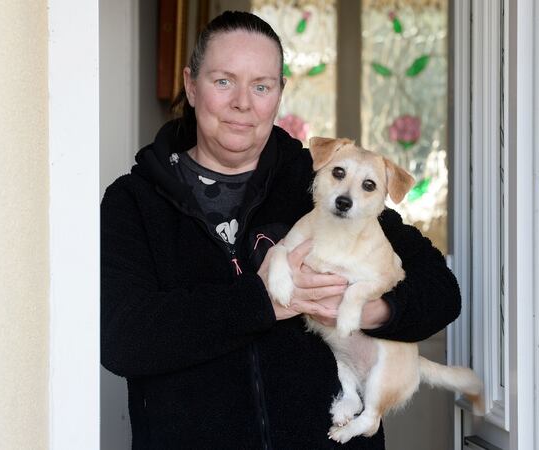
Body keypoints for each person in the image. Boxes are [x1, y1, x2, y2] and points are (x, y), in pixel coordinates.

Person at [100, 10, 461, 450]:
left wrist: (370, 310)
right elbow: (123, 340)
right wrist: (261, 302)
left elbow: (440, 291)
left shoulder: (327, 183)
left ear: (279, 94)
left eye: (261, 86)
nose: (243, 103)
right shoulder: (135, 201)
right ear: (191, 86)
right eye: (223, 81)